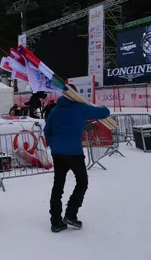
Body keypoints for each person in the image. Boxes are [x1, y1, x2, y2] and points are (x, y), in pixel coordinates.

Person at [44, 85, 110, 233]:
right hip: (74, 153)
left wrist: (52, 144)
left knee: (58, 185)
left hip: (58, 153)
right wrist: (100, 105)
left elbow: (47, 130)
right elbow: (104, 112)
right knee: (82, 182)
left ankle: (56, 221)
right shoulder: (81, 108)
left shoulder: (55, 110)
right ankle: (71, 214)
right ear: (75, 95)